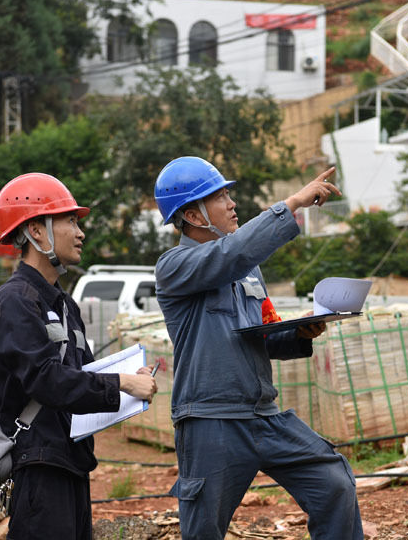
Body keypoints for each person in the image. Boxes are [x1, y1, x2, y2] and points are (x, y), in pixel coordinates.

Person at [153, 156, 363, 539]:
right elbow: (229, 256)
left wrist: (301, 332)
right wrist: (294, 203)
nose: (232, 203)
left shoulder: (248, 270)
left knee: (335, 483)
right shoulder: (174, 266)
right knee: (204, 529)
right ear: (194, 215)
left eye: (229, 194)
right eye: (220, 197)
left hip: (264, 415)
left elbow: (260, 335)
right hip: (211, 420)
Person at [0, 173, 157, 539]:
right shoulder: (14, 303)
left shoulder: (63, 302)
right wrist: (123, 383)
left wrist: (127, 381)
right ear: (37, 232)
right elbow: (48, 381)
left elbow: (83, 375)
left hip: (70, 461)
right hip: (39, 470)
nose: (80, 232)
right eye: (69, 221)